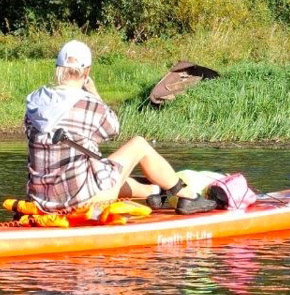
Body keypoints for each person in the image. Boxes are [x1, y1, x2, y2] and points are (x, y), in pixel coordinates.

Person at [24, 40, 217, 216]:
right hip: (80, 202)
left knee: (101, 167)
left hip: (41, 200)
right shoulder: (89, 103)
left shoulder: (34, 101)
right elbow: (112, 129)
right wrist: (94, 94)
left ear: (58, 69)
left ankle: (153, 192)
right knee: (139, 145)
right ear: (87, 71)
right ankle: (187, 196)